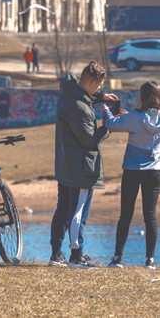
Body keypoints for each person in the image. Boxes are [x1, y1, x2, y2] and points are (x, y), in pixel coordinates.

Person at [49, 61, 118, 269]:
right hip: (80, 167)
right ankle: (76, 256)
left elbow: (82, 95)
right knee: (77, 211)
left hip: (66, 163)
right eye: (98, 86)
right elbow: (89, 139)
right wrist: (109, 124)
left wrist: (99, 97)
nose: (99, 89)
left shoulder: (68, 92)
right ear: (94, 81)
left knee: (63, 208)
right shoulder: (78, 108)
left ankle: (56, 254)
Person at [102, 81, 160, 270]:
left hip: (132, 170)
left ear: (143, 96)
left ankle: (117, 258)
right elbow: (143, 124)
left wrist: (106, 110)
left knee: (126, 215)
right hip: (154, 172)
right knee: (151, 216)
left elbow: (111, 124)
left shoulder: (134, 117)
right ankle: (150, 260)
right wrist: (129, 118)